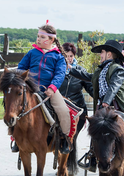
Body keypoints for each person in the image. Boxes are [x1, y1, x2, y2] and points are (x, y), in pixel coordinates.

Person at [17, 22, 78, 154]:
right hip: (30, 88)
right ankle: (15, 139)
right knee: (15, 107)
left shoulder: (58, 56)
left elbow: (60, 74)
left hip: (49, 89)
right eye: (38, 36)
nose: (38, 39)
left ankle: (64, 138)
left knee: (63, 111)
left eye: (42, 37)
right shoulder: (32, 53)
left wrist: (52, 87)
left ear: (51, 40)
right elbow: (21, 67)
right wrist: (21, 79)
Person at [59, 42, 93, 176]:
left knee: (71, 137)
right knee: (60, 137)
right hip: (60, 109)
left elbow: (90, 89)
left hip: (78, 111)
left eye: (71, 56)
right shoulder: (57, 70)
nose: (68, 58)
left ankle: (70, 167)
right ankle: (63, 164)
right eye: (66, 56)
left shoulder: (80, 71)